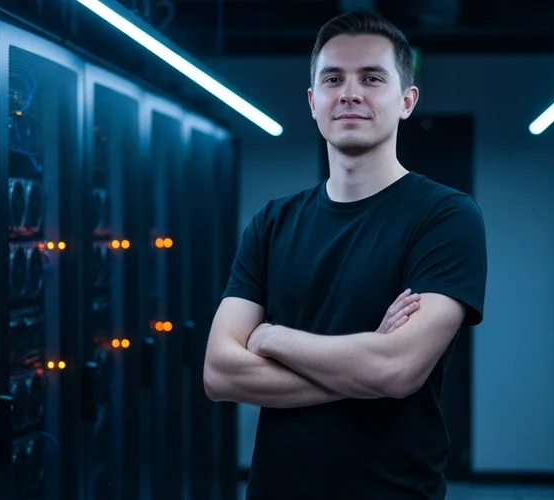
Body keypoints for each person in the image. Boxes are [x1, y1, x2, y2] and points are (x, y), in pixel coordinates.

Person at [201, 10, 488, 500]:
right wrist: (365, 364)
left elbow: (397, 370)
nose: (349, 92)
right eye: (332, 79)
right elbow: (220, 372)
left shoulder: (447, 218)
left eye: (372, 78)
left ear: (407, 101)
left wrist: (270, 337)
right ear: (313, 102)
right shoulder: (271, 223)